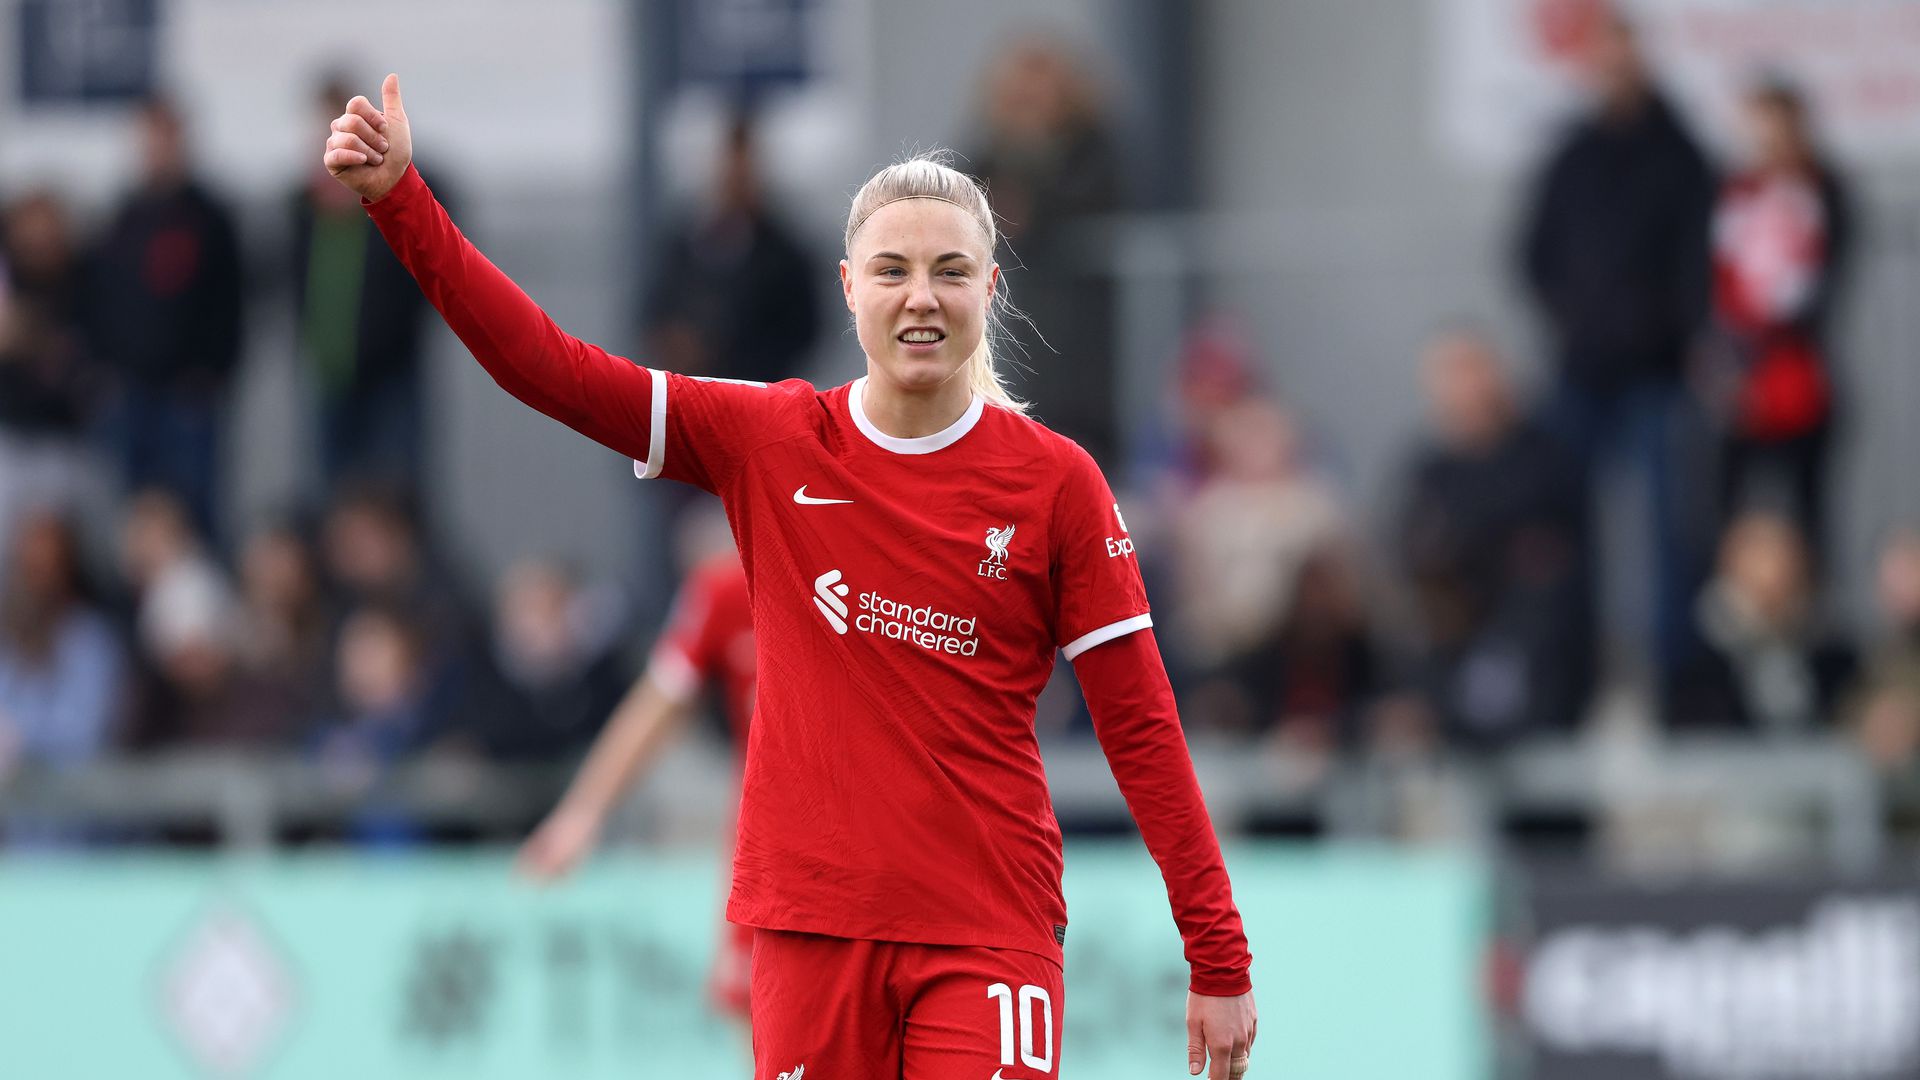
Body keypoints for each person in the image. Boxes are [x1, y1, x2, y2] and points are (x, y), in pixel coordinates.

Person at [324, 74, 1255, 1080]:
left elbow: (1143, 726)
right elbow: (545, 366)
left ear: (989, 289)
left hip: (990, 925)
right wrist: (402, 203)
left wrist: (1217, 952)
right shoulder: (769, 438)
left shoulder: (1056, 483)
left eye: (950, 271)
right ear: (850, 287)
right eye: (892, 269)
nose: (920, 297)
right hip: (810, 929)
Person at [1517, 11, 1715, 681]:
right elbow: (1533, 250)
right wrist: (1572, 316)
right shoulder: (1572, 154)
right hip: (1582, 370)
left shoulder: (1681, 153)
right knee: (1562, 534)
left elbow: (1703, 260)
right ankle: (1572, 672)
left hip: (1657, 373)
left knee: (1670, 536)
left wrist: (1679, 329)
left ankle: (1673, 681)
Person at [519, 546, 757, 1019]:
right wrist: (582, 811)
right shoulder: (727, 589)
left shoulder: (894, 575)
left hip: (893, 854)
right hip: (772, 853)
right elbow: (660, 700)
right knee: (754, 1011)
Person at [1396, 328, 1595, 747]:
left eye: (1471, 370)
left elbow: (1551, 562)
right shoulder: (1428, 474)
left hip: (1537, 660)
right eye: (1449, 375)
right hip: (1455, 658)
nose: (1464, 387)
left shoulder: (1545, 460)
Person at [1702, 77, 1852, 567]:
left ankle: (1809, 618)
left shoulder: (1822, 195)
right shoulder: (1727, 197)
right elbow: (1706, 281)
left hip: (1797, 380)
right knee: (1726, 510)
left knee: (1808, 513)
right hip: (1733, 380)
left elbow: (1821, 288)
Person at [85, 97, 245, 540]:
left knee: (194, 507)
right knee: (136, 509)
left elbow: (229, 302)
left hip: (187, 393)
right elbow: (103, 297)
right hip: (131, 388)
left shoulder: (209, 217)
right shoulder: (124, 217)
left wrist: (212, 371)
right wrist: (105, 368)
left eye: (165, 136)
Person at [291, 74, 439, 499]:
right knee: (330, 489)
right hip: (330, 369)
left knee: (398, 486)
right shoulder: (304, 204)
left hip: (390, 369)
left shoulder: (388, 192)